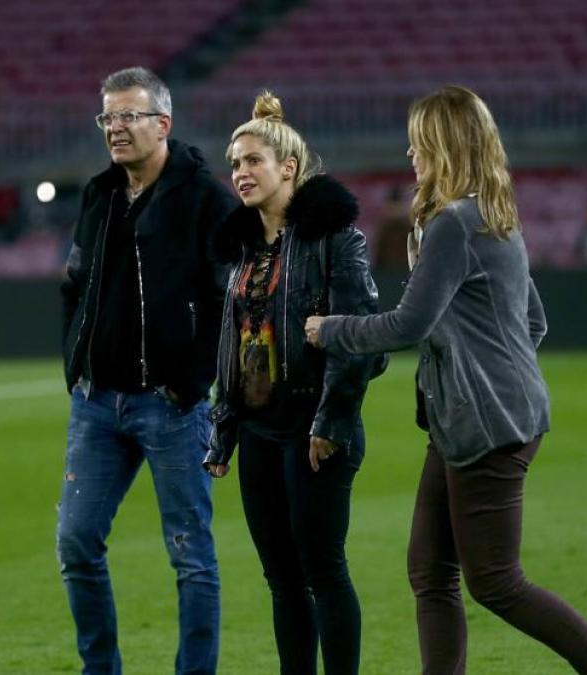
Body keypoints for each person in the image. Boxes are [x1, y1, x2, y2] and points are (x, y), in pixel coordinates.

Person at [305, 86, 587, 675]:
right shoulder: (493, 215)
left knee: (494, 581)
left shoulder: (454, 224)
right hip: (472, 420)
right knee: (431, 571)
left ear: (444, 145)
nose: (410, 153)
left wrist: (328, 329)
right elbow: (532, 321)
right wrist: (484, 373)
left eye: (419, 142)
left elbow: (409, 323)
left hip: (483, 424)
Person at [57, 66, 238, 675]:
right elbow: (74, 282)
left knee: (191, 556)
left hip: (172, 404)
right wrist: (74, 362)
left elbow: (225, 302)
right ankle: (100, 669)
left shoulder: (207, 200)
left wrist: (193, 381)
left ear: (164, 124)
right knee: (76, 543)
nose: (116, 128)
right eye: (109, 116)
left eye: (129, 115)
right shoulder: (99, 194)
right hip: (96, 402)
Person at [202, 92, 386, 675]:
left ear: (289, 167)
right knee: (281, 580)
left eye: (253, 160)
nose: (240, 173)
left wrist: (331, 421)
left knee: (324, 570)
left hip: (315, 431)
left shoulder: (337, 241)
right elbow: (233, 346)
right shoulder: (240, 252)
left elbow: (362, 343)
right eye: (234, 164)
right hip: (259, 433)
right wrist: (224, 431)